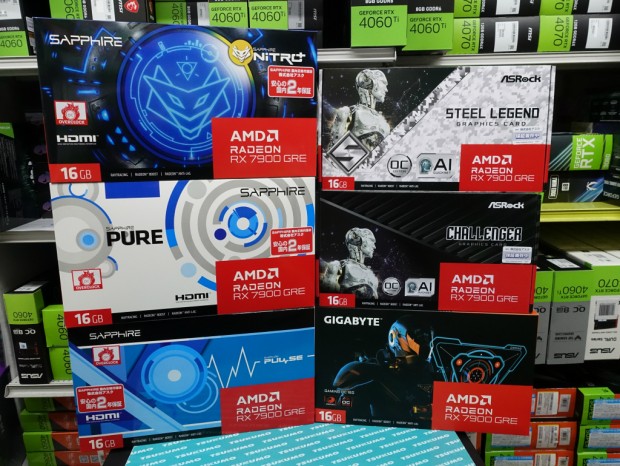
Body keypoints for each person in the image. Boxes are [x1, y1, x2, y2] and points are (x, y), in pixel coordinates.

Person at [331, 316, 436, 427]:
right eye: (417, 336)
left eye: (426, 337)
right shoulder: (371, 373)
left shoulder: (429, 375)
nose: (424, 343)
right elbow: (340, 417)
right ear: (396, 338)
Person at [329, 69, 390, 152]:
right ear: (373, 84)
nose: (386, 89)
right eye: (383, 83)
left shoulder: (384, 124)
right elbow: (334, 149)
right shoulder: (347, 113)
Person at [319, 227, 379, 299]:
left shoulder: (371, 274)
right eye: (371, 240)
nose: (374, 247)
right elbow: (328, 294)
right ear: (359, 240)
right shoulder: (338, 266)